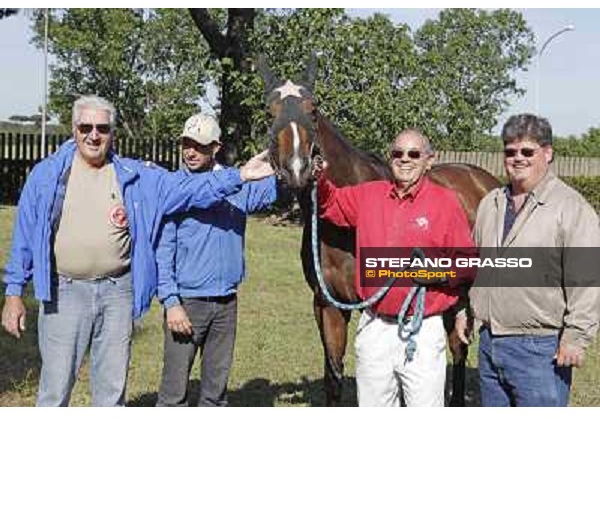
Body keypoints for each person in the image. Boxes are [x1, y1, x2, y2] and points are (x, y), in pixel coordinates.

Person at [1, 96, 274, 407]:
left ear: (112, 132)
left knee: (112, 388)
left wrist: (238, 175)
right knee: (55, 388)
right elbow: (23, 235)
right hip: (65, 293)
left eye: (102, 128)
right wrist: (13, 294)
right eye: (86, 127)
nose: (94, 135)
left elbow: (188, 190)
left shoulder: (135, 176)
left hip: (118, 293)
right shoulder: (46, 175)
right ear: (73, 129)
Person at [314, 129, 475, 407]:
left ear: (429, 161)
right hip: (375, 326)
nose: (405, 159)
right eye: (397, 153)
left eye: (414, 154)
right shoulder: (369, 195)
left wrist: (429, 272)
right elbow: (330, 204)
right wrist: (318, 179)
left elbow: (467, 264)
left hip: (422, 330)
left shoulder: (445, 203)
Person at [459, 114, 600, 406]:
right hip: (489, 343)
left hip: (540, 350)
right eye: (510, 152)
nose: (517, 158)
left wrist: (576, 336)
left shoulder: (570, 207)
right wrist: (465, 309)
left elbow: (588, 277)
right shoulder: (491, 203)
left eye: (527, 151)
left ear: (547, 153)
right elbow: (475, 264)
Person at [155, 112, 277, 407]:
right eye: (186, 143)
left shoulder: (235, 185)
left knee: (216, 393)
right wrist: (172, 303)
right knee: (173, 394)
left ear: (215, 147)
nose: (190, 151)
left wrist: (289, 164)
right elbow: (163, 250)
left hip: (225, 302)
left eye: (198, 145)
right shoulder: (175, 188)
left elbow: (269, 193)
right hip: (188, 303)